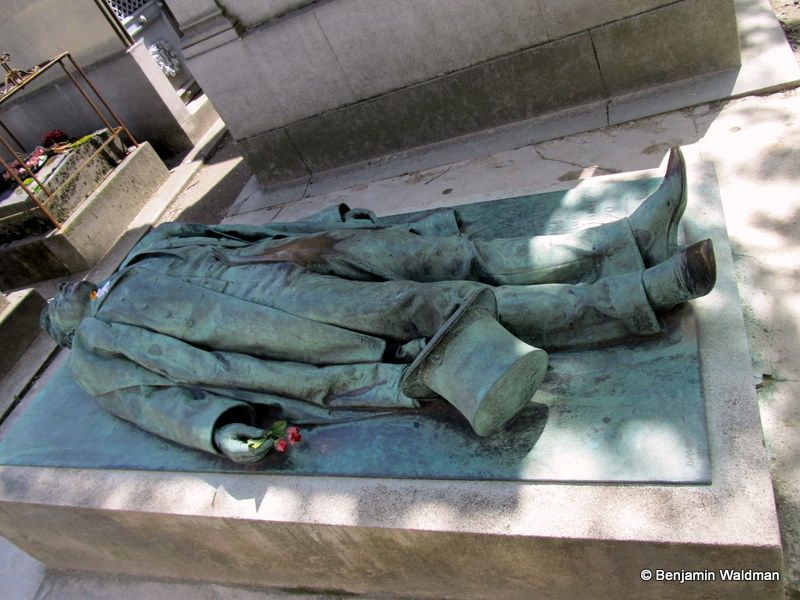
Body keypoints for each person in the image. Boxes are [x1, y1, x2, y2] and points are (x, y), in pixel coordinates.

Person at [41, 148, 716, 463]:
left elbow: (236, 237)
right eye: (52, 313)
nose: (61, 296)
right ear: (65, 334)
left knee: (451, 257)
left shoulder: (152, 245)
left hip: (300, 260)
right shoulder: (97, 350)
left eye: (60, 292)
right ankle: (641, 294)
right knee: (447, 304)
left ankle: (624, 240)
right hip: (295, 327)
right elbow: (149, 400)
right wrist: (214, 429)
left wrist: (321, 231)